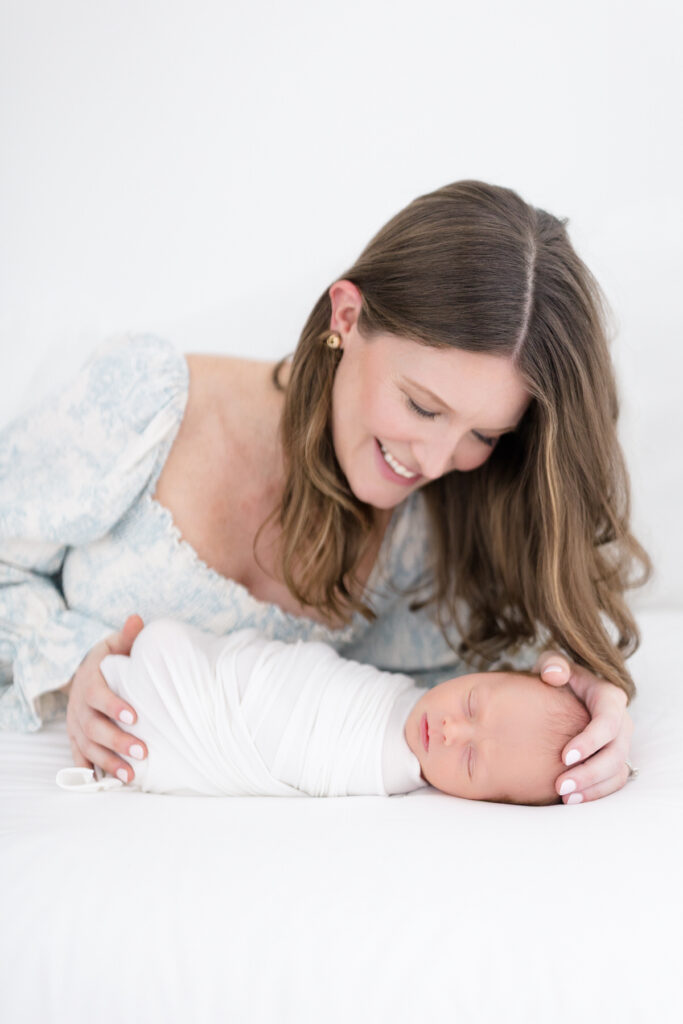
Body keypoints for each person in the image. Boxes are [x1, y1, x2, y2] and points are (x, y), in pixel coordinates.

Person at [0, 180, 651, 806]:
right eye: (423, 406)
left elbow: (521, 662)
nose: (434, 462)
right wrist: (73, 666)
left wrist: (590, 698)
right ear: (347, 316)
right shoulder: (148, 402)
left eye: (483, 433)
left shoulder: (434, 534)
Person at [56, 617, 592, 805]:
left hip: (199, 728)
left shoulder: (378, 767)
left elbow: (289, 738)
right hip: (216, 666)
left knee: (151, 714)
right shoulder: (410, 691)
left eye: (470, 761)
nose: (451, 730)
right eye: (471, 703)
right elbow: (303, 679)